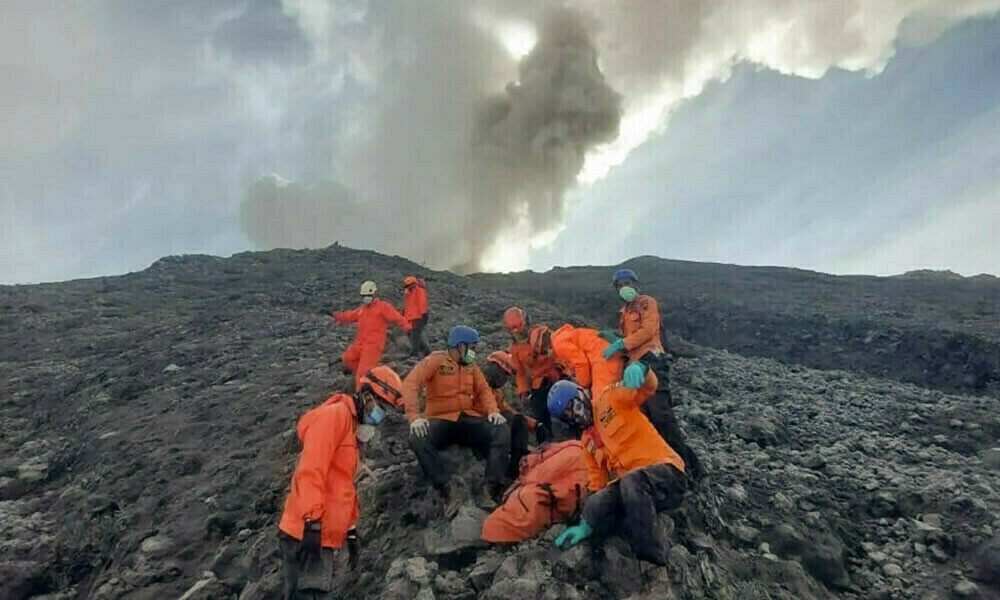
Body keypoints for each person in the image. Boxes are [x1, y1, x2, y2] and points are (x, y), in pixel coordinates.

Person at [277, 366, 403, 599]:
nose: (380, 416)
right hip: (305, 533)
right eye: (381, 407)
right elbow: (311, 470)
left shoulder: (352, 428)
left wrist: (350, 529)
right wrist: (312, 522)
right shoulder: (334, 416)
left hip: (322, 534)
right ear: (367, 395)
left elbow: (343, 486)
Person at [547, 376, 687, 566]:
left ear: (581, 394)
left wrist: (643, 372)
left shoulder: (610, 398)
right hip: (635, 492)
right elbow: (597, 483)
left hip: (667, 474)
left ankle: (651, 559)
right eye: (568, 415)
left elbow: (646, 388)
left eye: (574, 407)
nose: (576, 416)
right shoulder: (587, 442)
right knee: (595, 504)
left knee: (631, 482)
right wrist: (586, 522)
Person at [602, 268, 701, 480]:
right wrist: (616, 340)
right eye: (620, 285)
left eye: (627, 283)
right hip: (635, 366)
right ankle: (667, 466)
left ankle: (689, 470)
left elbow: (647, 331)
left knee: (662, 416)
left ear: (636, 285)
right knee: (648, 419)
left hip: (652, 361)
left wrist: (621, 343)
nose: (624, 288)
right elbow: (631, 340)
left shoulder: (646, 303)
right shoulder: (625, 312)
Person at [403, 326, 511, 517]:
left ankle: (490, 486)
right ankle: (447, 488)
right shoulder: (436, 360)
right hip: (441, 420)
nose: (474, 352)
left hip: (467, 419)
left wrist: (493, 412)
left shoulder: (471, 366)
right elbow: (411, 383)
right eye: (472, 348)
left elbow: (484, 390)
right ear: (461, 346)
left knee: (501, 429)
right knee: (417, 438)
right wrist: (414, 417)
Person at [332, 280, 410, 391]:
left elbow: (397, 317)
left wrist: (407, 327)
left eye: (368, 296)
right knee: (347, 359)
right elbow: (349, 316)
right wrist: (336, 316)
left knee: (362, 373)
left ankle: (361, 394)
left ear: (374, 294)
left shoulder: (383, 307)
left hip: (373, 345)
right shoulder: (362, 309)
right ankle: (371, 375)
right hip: (360, 343)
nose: (366, 298)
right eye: (363, 296)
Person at [503, 307, 561, 444]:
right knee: (538, 411)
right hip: (539, 382)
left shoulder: (542, 333)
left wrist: (561, 368)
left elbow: (559, 349)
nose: (518, 332)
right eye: (514, 330)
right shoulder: (515, 349)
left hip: (557, 375)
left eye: (520, 328)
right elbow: (520, 372)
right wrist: (523, 390)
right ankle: (546, 443)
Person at [482, 351, 535, 479]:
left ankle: (515, 470)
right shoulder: (475, 384)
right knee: (505, 426)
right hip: (478, 426)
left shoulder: (496, 393)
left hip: (488, 424)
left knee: (518, 421)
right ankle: (496, 479)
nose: (504, 380)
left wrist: (534, 424)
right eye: (503, 374)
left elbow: (507, 410)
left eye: (506, 376)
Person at [402, 276, 430, 357]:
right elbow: (408, 306)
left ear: (414, 283)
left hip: (418, 317)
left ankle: (415, 353)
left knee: (415, 335)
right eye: (407, 285)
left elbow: (422, 303)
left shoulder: (420, 291)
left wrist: (423, 314)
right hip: (410, 318)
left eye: (410, 285)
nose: (408, 287)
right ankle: (426, 351)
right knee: (413, 334)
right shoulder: (408, 294)